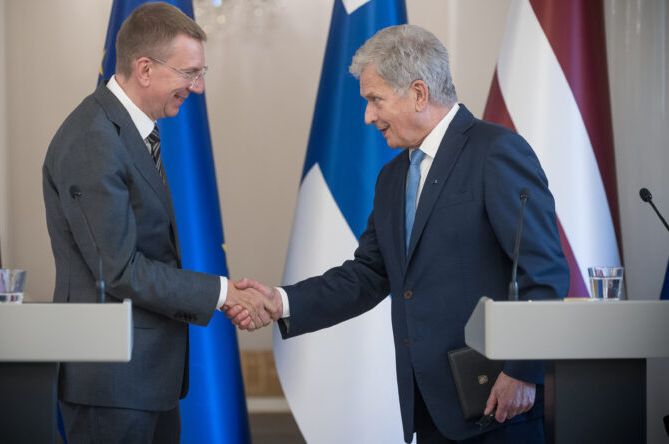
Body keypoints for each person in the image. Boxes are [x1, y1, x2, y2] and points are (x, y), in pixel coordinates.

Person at [228, 25, 570, 443]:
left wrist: (522, 371)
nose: (368, 116)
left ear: (419, 94)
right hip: (428, 406)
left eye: (375, 99)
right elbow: (368, 274)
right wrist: (279, 302)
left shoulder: (495, 151)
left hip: (498, 403)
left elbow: (544, 271)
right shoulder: (393, 177)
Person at [42, 2, 270, 444]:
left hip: (142, 378)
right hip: (111, 380)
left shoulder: (127, 130)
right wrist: (223, 293)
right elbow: (120, 269)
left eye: (202, 73)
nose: (198, 88)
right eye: (190, 73)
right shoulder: (94, 138)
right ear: (145, 68)